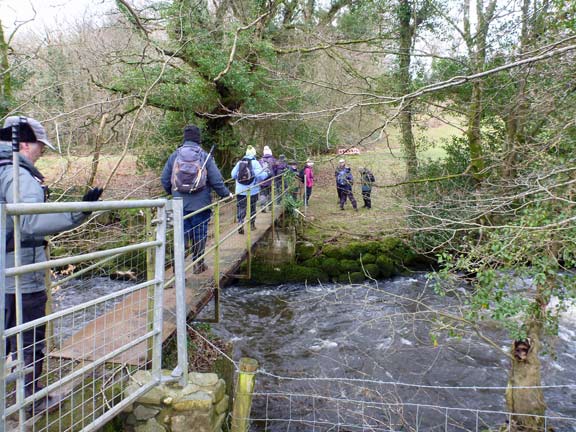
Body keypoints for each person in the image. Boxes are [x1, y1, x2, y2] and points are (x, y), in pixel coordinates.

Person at [0, 116, 103, 414]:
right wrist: (79, 211)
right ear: (23, 144)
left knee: (8, 336)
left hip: (6, 270)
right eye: (40, 147)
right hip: (21, 272)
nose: (42, 153)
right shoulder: (18, 175)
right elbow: (32, 220)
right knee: (30, 337)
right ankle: (33, 401)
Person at [161, 125, 232, 274]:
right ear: (198, 139)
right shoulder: (204, 156)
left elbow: (165, 179)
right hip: (200, 205)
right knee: (199, 234)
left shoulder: (175, 155)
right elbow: (216, 180)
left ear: (185, 138)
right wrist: (226, 195)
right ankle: (198, 264)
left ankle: (177, 270)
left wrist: (174, 194)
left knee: (180, 236)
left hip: (179, 204)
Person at [231, 145, 267, 234]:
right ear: (254, 154)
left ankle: (240, 222)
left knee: (241, 207)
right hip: (253, 190)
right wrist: (266, 174)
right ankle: (251, 224)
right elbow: (260, 176)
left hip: (240, 191)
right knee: (252, 207)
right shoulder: (255, 163)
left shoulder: (240, 162)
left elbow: (233, 175)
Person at [258, 145, 277, 212]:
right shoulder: (273, 160)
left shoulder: (260, 160)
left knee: (263, 193)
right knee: (270, 193)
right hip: (270, 180)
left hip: (262, 180)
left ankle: (263, 206)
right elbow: (275, 170)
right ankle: (270, 206)